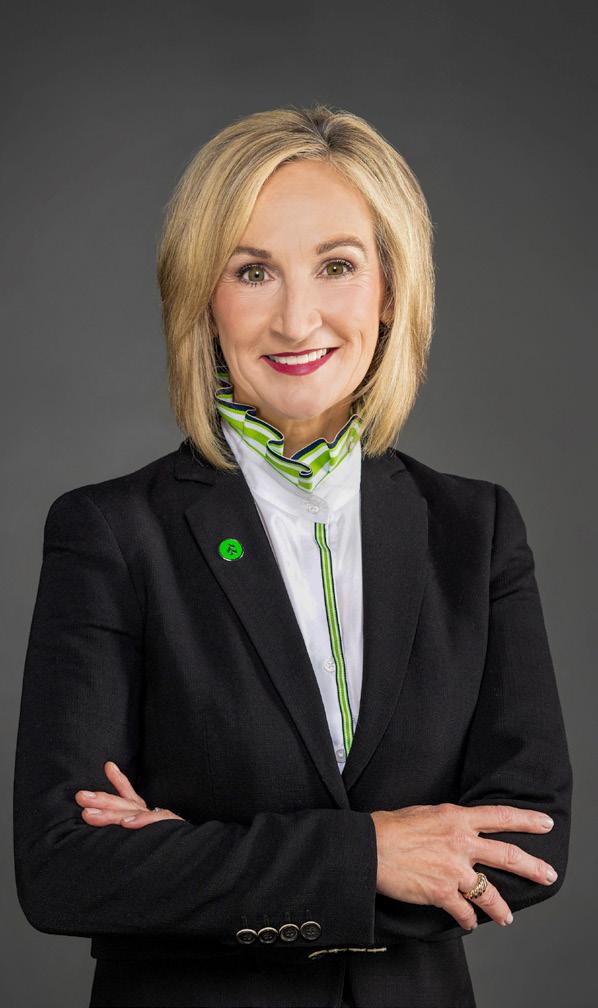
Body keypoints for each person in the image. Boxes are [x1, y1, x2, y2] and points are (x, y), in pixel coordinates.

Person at [13, 104, 572, 1008]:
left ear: (389, 290)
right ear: (204, 299)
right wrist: (373, 856)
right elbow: (66, 870)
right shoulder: (110, 533)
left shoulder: (476, 531)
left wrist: (193, 858)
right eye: (253, 271)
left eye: (337, 266)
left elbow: (527, 847)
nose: (296, 317)